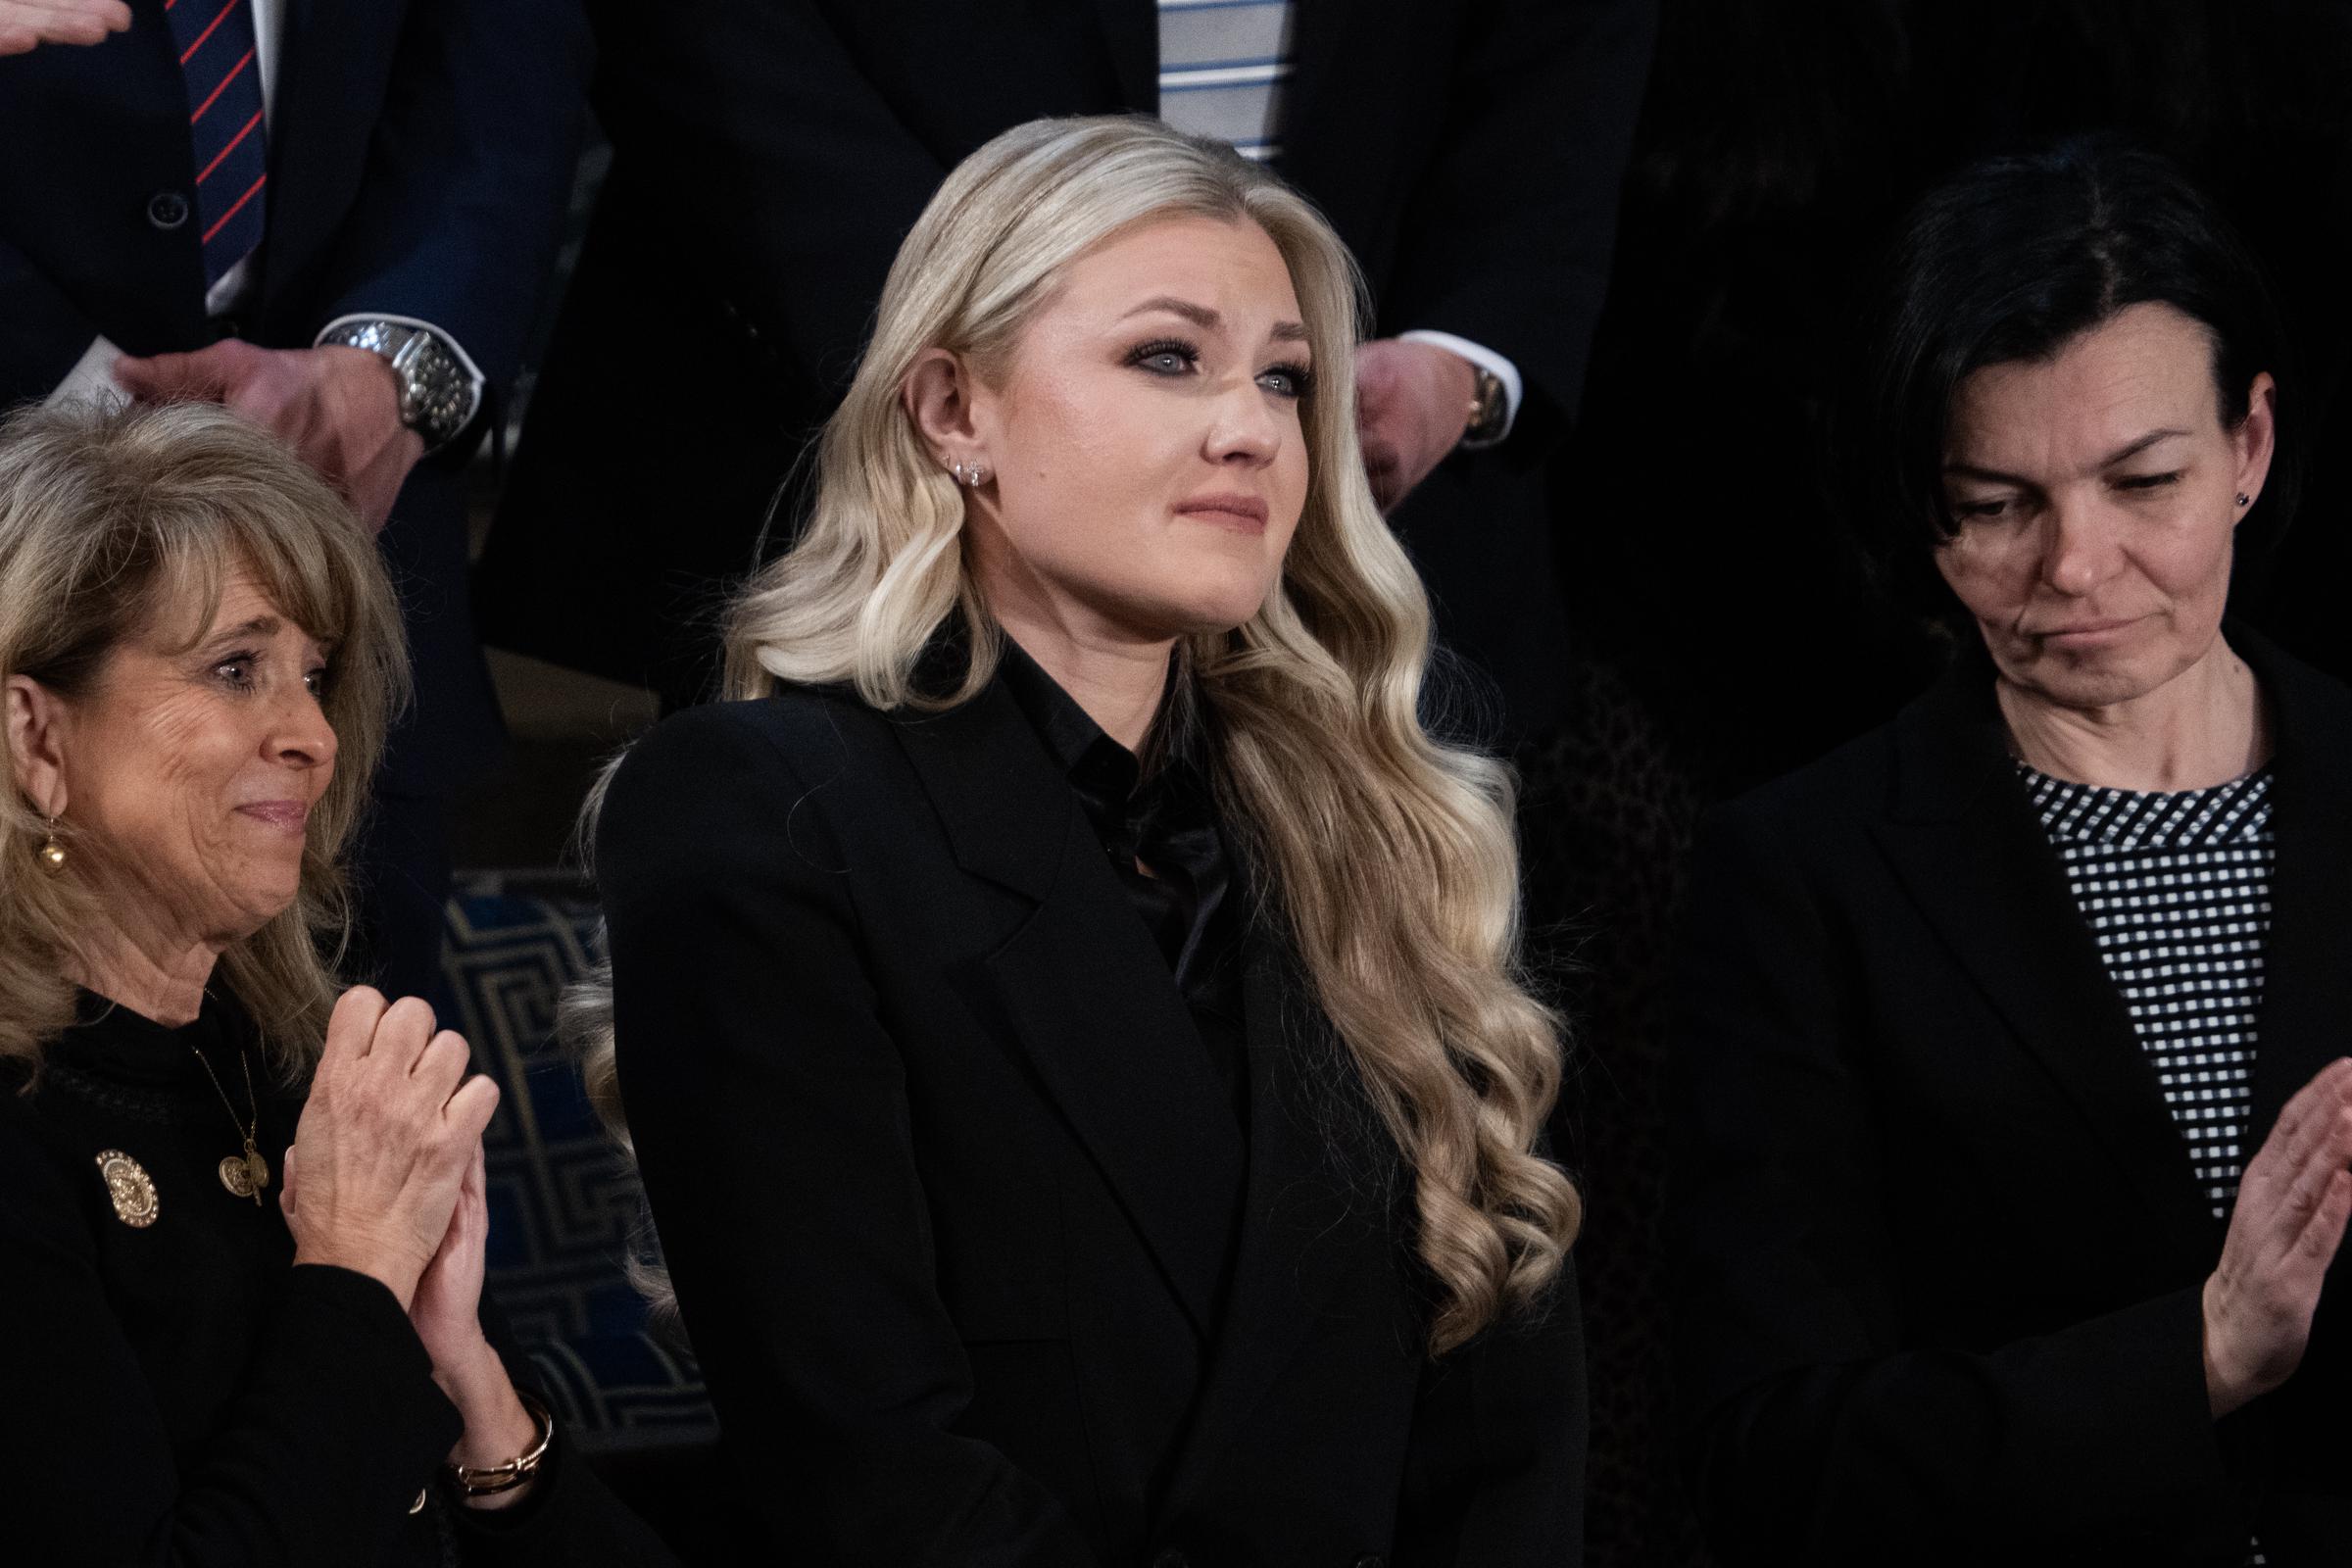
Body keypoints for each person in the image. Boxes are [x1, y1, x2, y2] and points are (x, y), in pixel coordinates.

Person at [586, 117, 1588, 1564]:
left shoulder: (1379, 834)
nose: (1249, 427)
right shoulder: (762, 809)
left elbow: (1507, 1435)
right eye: (1168, 358)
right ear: (952, 411)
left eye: (1287, 379)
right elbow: (875, 1472)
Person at [1669, 137, 2352, 1565]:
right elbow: (1772, 1452)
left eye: (2143, 481)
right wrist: (2205, 1355)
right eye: (1997, 507)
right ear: (1921, 511)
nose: (2077, 568)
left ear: (2251, 447)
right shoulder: (1801, 876)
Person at [482, 0, 1654, 738]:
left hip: (1374, 591)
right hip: (844, 520)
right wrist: (999, 339)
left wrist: (1460, 360)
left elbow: (1555, 85)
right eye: (1167, 357)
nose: (1240, 423)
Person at [0, 401, 677, 1566]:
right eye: (236, 668)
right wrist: (356, 1274)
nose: (313, 732)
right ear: (37, 739)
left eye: (313, 675)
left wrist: (469, 1383)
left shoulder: (287, 1073)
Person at [0, 0, 592, 1003]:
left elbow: (496, 81)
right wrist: (87, 404)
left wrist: (386, 372)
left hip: (355, 538)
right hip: (20, 512)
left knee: (347, 1114)